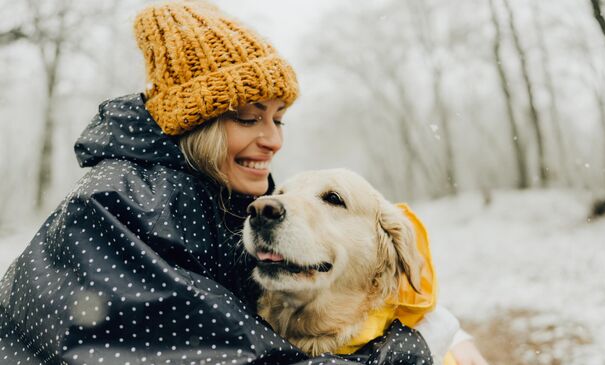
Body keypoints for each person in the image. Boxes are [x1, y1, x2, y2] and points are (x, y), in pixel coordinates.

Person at [0, 1, 488, 364]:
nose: (273, 139)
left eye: (279, 118)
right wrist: (415, 346)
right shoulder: (115, 208)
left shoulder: (218, 192)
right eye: (248, 118)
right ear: (199, 122)